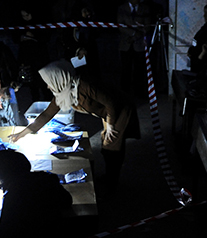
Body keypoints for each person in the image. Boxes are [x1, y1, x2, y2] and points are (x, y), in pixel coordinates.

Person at [9, 60, 139, 188]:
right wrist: (22, 134)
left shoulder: (83, 85)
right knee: (106, 141)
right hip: (106, 111)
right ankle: (109, 176)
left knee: (111, 144)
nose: (48, 87)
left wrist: (110, 124)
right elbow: (46, 115)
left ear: (58, 79)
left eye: (49, 83)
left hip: (119, 108)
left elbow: (110, 102)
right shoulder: (63, 93)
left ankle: (112, 183)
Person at [117, 0, 150, 96]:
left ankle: (139, 92)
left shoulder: (144, 9)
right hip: (125, 44)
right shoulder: (122, 9)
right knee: (125, 68)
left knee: (139, 69)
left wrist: (135, 36)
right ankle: (124, 92)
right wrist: (133, 33)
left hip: (139, 44)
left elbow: (147, 26)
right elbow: (120, 25)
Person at [14, 6, 51, 102]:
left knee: (43, 80)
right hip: (27, 57)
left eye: (27, 15)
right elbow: (15, 38)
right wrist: (22, 37)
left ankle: (48, 101)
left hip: (40, 56)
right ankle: (36, 101)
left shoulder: (40, 23)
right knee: (32, 82)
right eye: (23, 16)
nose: (25, 18)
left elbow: (46, 37)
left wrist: (34, 36)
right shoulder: (20, 24)